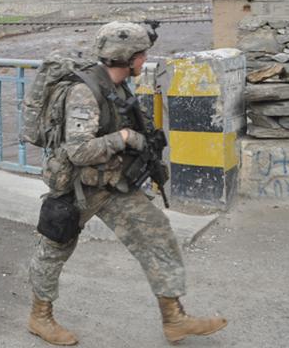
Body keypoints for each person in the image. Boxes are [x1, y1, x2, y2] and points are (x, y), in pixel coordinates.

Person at [26, 22, 227, 346]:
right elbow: (78, 150)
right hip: (81, 188)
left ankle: (174, 318)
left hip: (115, 185)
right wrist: (123, 138)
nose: (144, 60)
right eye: (142, 54)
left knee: (158, 235)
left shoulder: (116, 87)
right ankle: (40, 316)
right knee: (54, 250)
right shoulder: (84, 92)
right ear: (127, 57)